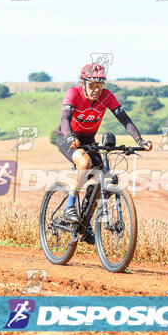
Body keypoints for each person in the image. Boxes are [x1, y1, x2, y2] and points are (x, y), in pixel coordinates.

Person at [55, 63, 152, 244]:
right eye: (92, 85)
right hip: (67, 137)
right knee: (84, 163)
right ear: (83, 83)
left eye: (100, 85)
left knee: (100, 183)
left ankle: (85, 225)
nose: (96, 90)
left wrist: (140, 141)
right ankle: (69, 206)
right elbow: (65, 119)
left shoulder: (107, 96)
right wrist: (69, 138)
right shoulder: (73, 93)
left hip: (89, 141)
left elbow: (124, 119)